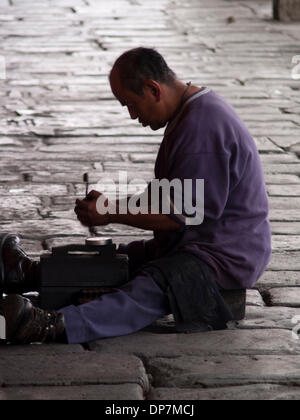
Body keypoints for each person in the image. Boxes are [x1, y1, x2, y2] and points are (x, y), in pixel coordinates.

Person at [0, 47, 271, 345]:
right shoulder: (191, 113)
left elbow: (180, 215)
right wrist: (111, 203)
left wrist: (111, 211)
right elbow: (168, 194)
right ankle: (27, 273)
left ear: (153, 89)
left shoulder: (202, 127)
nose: (132, 115)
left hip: (223, 255)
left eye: (131, 104)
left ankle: (54, 326)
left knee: (153, 284)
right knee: (119, 257)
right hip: (193, 243)